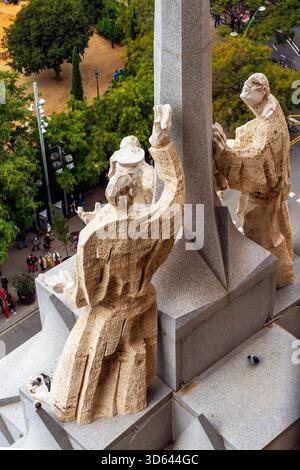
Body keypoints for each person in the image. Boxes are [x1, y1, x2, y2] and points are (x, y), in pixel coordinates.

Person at [213, 73, 295, 288]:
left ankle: (280, 276)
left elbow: (255, 162)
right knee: (278, 224)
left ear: (263, 91)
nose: (245, 92)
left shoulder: (269, 127)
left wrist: (224, 153)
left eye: (250, 89)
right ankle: (285, 269)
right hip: (274, 188)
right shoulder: (270, 105)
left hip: (264, 194)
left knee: (265, 236)